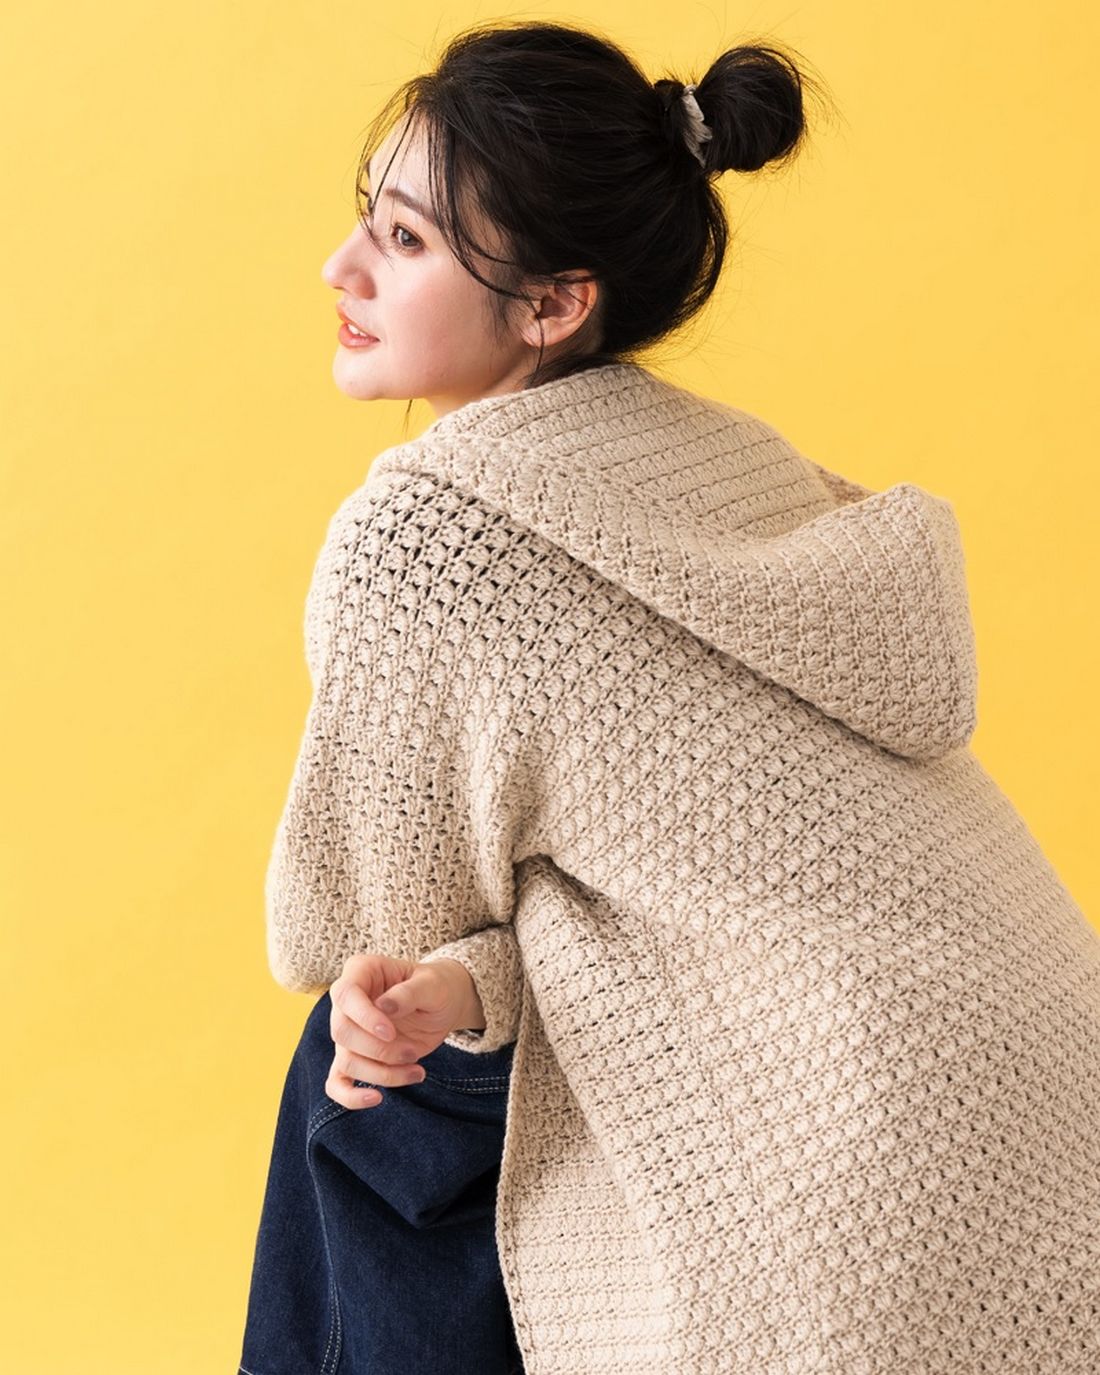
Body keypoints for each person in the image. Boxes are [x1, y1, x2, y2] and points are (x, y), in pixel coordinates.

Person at [239, 19, 1100, 1375]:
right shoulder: (729, 459)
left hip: (842, 1191)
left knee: (361, 1071)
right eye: (367, 217)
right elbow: (680, 891)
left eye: (404, 241)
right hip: (1050, 1106)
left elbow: (347, 930)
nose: (342, 268)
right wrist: (471, 977)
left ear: (552, 305)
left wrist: (442, 981)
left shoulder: (424, 535)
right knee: (448, 1004)